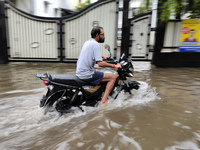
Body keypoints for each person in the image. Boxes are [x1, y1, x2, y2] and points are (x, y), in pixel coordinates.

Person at [76, 26, 121, 106]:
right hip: (87, 74)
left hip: (80, 72)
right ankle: (103, 101)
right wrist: (115, 65)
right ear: (97, 35)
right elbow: (100, 64)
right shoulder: (96, 44)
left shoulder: (88, 42)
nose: (104, 36)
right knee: (112, 77)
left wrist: (101, 56)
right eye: (102, 34)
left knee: (98, 71)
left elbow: (90, 55)